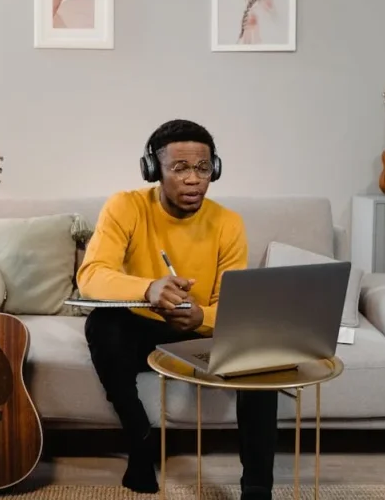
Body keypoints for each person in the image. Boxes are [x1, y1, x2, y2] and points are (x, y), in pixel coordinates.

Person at [76, 119, 279, 499]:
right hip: (140, 327)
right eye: (180, 168)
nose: (193, 180)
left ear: (214, 171)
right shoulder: (126, 206)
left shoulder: (228, 223)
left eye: (202, 169)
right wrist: (149, 288)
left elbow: (230, 308)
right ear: (153, 170)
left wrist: (202, 317)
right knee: (103, 324)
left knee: (260, 357)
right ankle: (141, 442)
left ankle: (257, 487)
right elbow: (91, 275)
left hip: (198, 329)